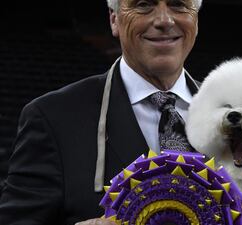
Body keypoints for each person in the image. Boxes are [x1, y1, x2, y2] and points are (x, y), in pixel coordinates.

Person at [0, 0, 202, 224]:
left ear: (195, 19)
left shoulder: (236, 114)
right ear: (114, 19)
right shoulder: (52, 119)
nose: (164, 20)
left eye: (178, 5)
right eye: (144, 5)